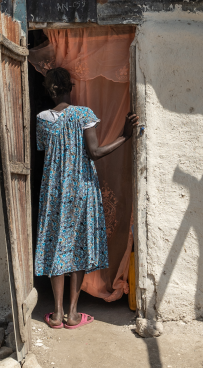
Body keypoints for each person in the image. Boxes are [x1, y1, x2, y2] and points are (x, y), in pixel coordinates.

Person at [34, 67, 139, 329]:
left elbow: (44, 148)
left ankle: (56, 315)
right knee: (79, 246)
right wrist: (125, 136)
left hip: (55, 190)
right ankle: (73, 314)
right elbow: (94, 152)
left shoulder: (43, 118)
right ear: (71, 87)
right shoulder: (84, 114)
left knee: (57, 245)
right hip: (81, 189)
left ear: (49, 90)